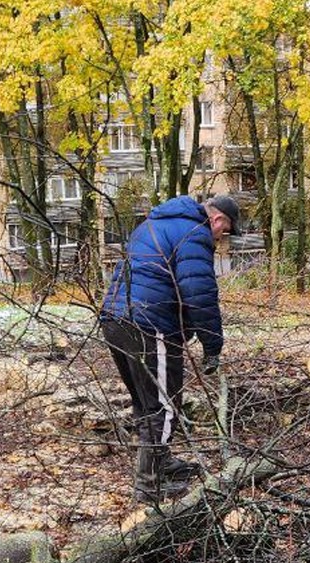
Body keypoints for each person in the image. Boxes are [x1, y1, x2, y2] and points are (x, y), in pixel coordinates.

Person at [100, 194, 239, 503]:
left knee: (145, 400)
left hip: (114, 318)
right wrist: (212, 346)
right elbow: (199, 294)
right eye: (225, 231)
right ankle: (149, 489)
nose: (220, 237)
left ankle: (161, 462)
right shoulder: (195, 233)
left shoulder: (152, 223)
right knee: (163, 406)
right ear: (217, 220)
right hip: (151, 323)